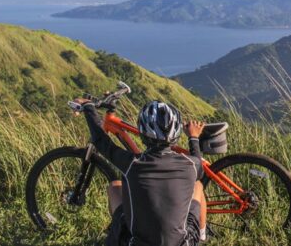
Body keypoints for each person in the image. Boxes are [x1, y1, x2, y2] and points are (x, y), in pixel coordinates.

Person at [74, 97, 208, 246]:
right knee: (198, 186)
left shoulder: (132, 164)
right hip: (181, 243)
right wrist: (193, 138)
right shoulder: (191, 164)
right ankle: (202, 236)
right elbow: (199, 168)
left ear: (142, 133)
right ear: (176, 133)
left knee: (114, 187)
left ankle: (119, 232)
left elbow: (101, 141)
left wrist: (88, 106)